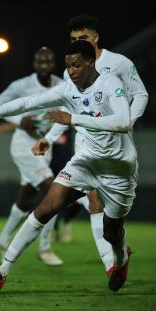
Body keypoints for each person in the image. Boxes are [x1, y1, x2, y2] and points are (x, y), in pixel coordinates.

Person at [0, 40, 136, 292]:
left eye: (76, 65)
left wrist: (73, 119)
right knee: (46, 207)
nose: (71, 71)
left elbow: (124, 121)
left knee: (112, 233)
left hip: (118, 169)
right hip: (85, 162)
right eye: (68, 66)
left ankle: (120, 260)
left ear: (91, 62)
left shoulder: (110, 84)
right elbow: (29, 102)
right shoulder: (68, 89)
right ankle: (2, 270)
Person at [52, 14, 148, 264]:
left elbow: (141, 95)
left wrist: (129, 122)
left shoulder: (119, 63)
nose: (78, 42)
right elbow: (68, 109)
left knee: (112, 213)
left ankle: (118, 246)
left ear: (96, 37)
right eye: (73, 39)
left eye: (83, 37)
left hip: (116, 145)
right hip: (86, 143)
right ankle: (111, 265)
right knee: (94, 200)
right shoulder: (70, 70)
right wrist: (48, 137)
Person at [0, 47, 64, 266]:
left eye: (48, 62)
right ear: (34, 64)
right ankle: (45, 247)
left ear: (53, 64)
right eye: (40, 62)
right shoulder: (21, 85)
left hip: (44, 148)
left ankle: (2, 241)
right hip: (23, 146)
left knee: (25, 197)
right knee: (54, 192)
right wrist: (21, 121)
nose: (44, 66)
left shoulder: (61, 85)